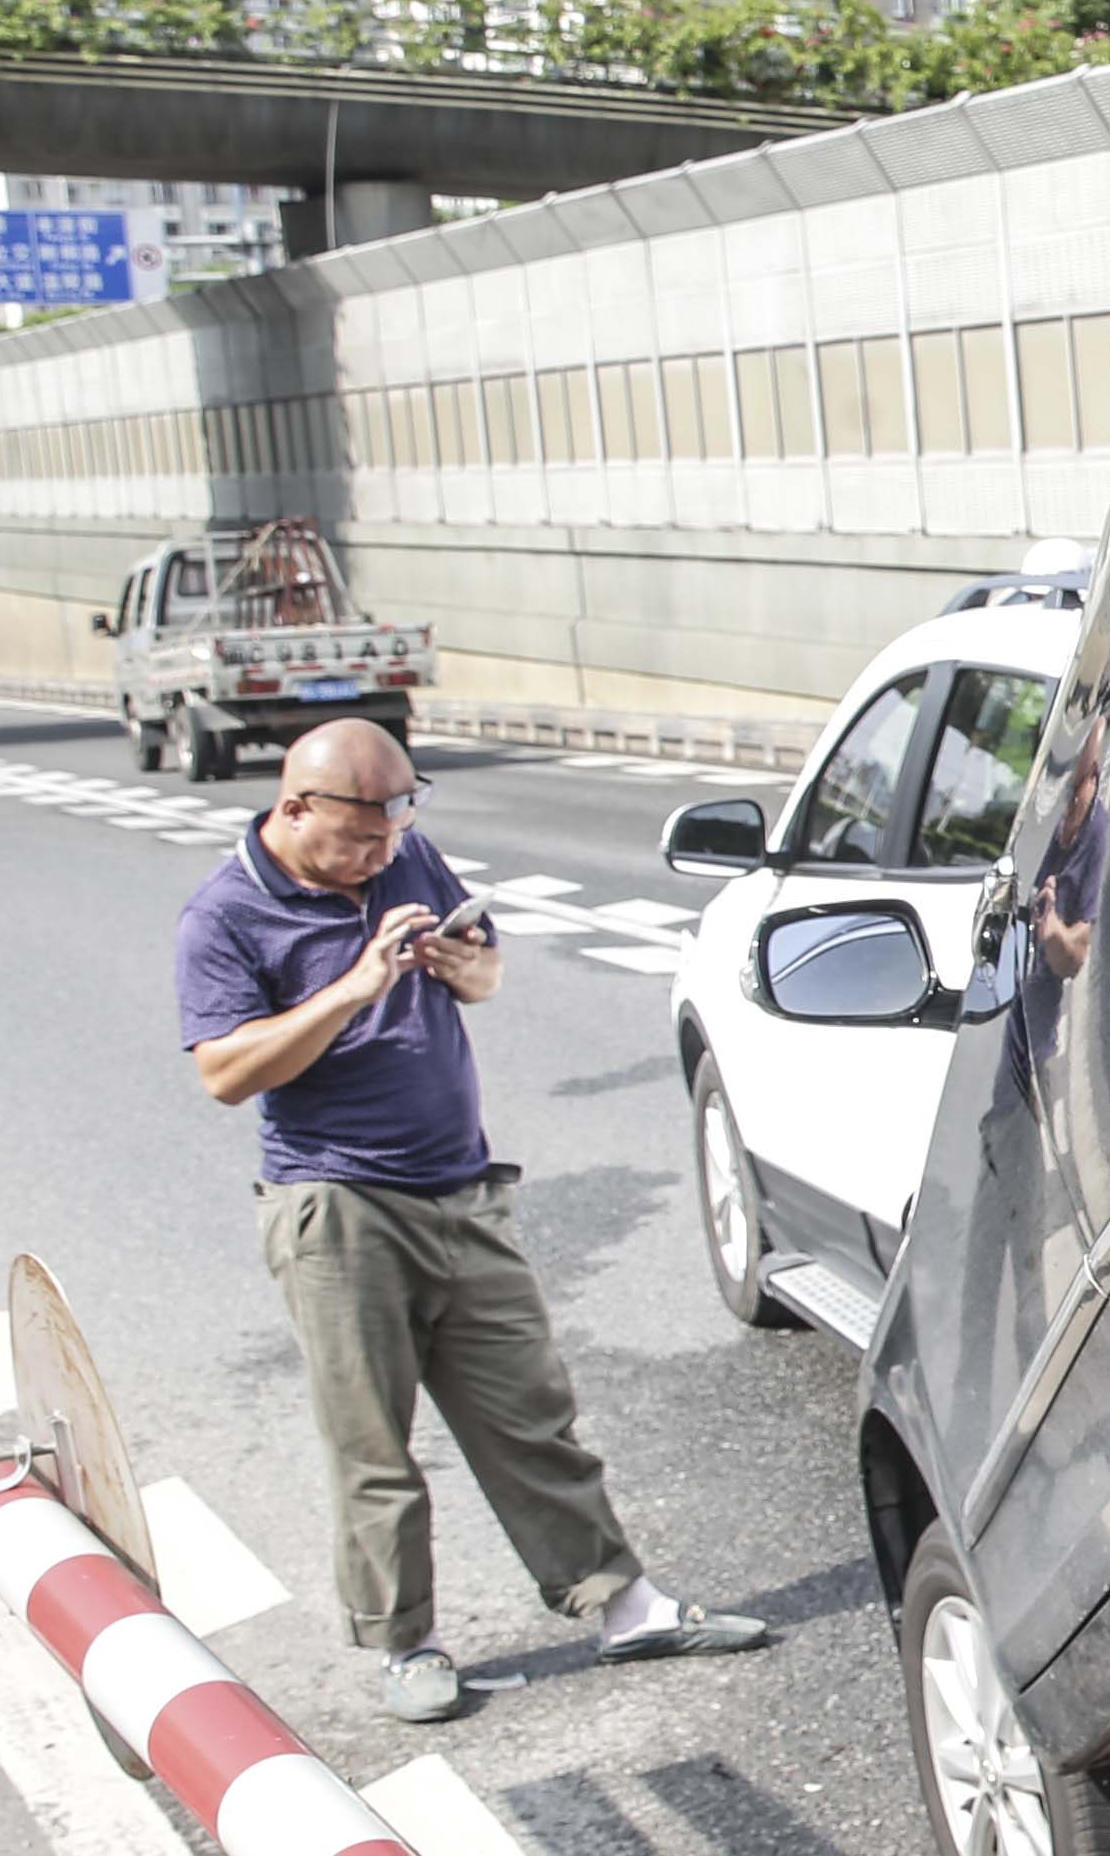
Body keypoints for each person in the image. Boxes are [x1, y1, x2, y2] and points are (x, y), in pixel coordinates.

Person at [176, 719, 766, 1724]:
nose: (380, 856)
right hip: (335, 1205)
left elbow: (487, 977)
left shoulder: (407, 851)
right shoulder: (225, 916)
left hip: (460, 1184)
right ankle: (406, 1645)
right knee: (376, 1443)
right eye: (360, 840)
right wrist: (355, 985)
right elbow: (225, 1073)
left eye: (394, 833)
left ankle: (622, 1604)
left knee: (531, 1411)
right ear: (295, 808)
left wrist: (455, 964)